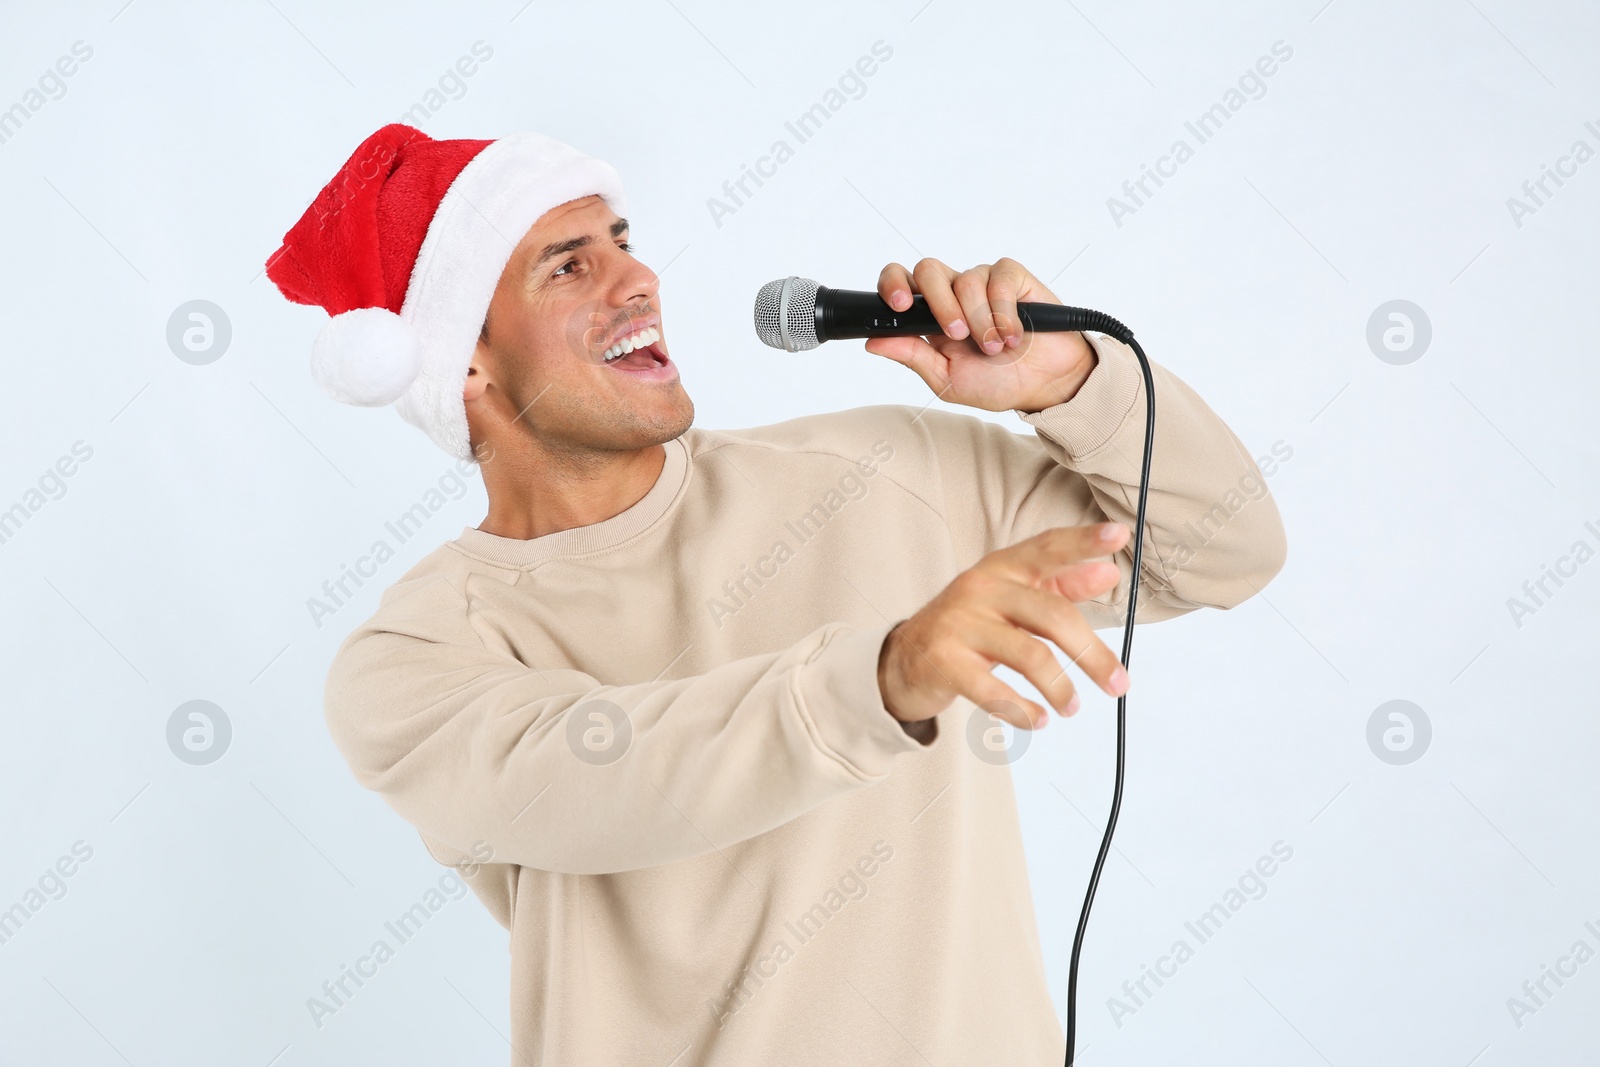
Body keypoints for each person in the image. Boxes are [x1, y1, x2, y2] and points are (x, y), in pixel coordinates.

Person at [267, 123, 1288, 1064]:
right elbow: (611, 778)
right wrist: (885, 675)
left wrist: (1075, 386)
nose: (637, 280)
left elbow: (1220, 549)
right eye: (570, 264)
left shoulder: (890, 465)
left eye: (622, 242)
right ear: (467, 363)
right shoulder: (409, 659)